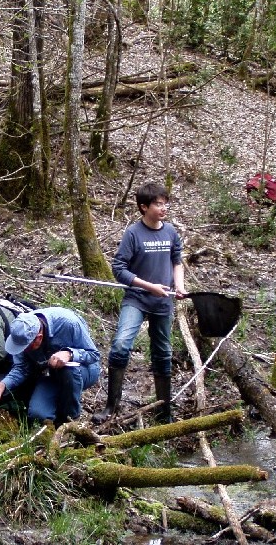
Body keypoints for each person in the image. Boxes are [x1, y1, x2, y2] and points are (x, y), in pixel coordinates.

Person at [92, 182, 188, 425]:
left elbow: (177, 260)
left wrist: (179, 286)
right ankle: (110, 407)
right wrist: (148, 287)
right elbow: (119, 269)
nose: (163, 208)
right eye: (158, 204)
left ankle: (164, 412)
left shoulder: (170, 232)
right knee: (121, 346)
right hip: (136, 299)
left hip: (163, 303)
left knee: (163, 354)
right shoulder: (133, 234)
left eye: (165, 203)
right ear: (144, 207)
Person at [0, 307, 100, 426]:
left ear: (39, 337)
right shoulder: (21, 332)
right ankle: (53, 421)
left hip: (85, 370)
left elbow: (94, 355)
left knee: (67, 370)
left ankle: (71, 421)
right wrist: (4, 384)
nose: (24, 351)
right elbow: (21, 369)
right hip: (50, 375)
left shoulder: (68, 323)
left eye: (27, 348)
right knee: (38, 416)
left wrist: (70, 354)